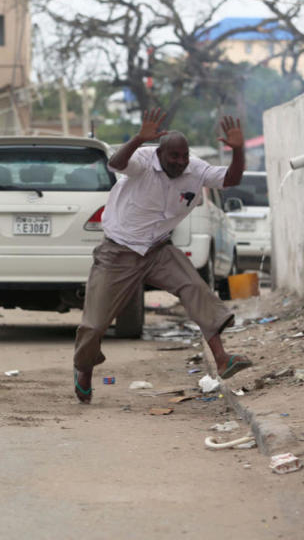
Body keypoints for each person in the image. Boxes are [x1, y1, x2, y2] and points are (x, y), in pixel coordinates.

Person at [73, 108, 254, 403]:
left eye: (184, 157)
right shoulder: (143, 160)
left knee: (194, 287)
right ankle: (83, 369)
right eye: (174, 157)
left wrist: (239, 150)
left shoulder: (195, 169)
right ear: (159, 153)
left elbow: (231, 179)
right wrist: (137, 139)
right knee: (94, 324)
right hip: (118, 250)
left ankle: (222, 359)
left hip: (158, 249)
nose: (180, 163)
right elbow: (116, 163)